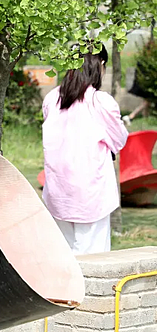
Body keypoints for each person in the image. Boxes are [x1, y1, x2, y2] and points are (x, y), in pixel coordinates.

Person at [42, 45, 128, 255]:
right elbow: (119, 140)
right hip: (91, 193)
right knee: (93, 259)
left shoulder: (52, 99)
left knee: (63, 256)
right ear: (101, 64)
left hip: (58, 192)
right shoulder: (100, 102)